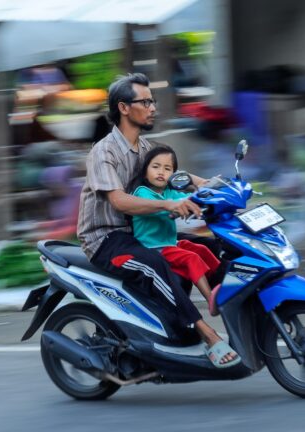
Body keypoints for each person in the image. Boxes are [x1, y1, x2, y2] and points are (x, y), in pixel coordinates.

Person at [77, 73, 240, 368]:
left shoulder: (145, 148)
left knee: (212, 246)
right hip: (107, 238)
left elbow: (174, 176)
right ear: (124, 108)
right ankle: (209, 336)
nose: (153, 107)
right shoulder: (104, 152)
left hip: (141, 231)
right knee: (157, 266)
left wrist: (209, 184)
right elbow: (118, 200)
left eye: (152, 101)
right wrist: (167, 203)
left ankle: (232, 309)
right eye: (146, 101)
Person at [127, 144, 222, 317]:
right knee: (191, 258)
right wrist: (181, 204)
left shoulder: (169, 191)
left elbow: (186, 199)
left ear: (174, 174)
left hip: (171, 243)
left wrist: (207, 189)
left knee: (202, 249)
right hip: (154, 248)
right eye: (155, 167)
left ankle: (222, 284)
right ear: (145, 170)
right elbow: (169, 207)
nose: (161, 172)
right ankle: (211, 300)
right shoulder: (142, 193)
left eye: (167, 168)